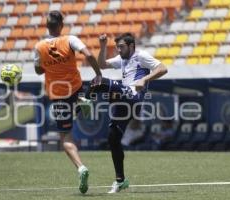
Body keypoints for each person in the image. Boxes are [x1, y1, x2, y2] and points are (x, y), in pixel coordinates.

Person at [88, 32, 168, 193]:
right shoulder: (122, 59)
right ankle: (120, 181)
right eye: (117, 47)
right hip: (123, 101)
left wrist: (145, 79)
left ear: (131, 46)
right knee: (113, 138)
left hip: (134, 97)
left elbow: (163, 68)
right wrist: (103, 46)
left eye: (121, 46)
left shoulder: (141, 56)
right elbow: (102, 64)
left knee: (100, 81)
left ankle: (86, 101)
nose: (118, 50)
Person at [34, 11, 102, 194]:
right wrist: (98, 73)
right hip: (76, 88)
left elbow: (38, 70)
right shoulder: (70, 39)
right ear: (61, 25)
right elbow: (88, 55)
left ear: (47, 26)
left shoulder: (39, 46)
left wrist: (49, 63)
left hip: (58, 96)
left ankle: (81, 167)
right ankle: (82, 102)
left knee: (65, 137)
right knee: (82, 99)